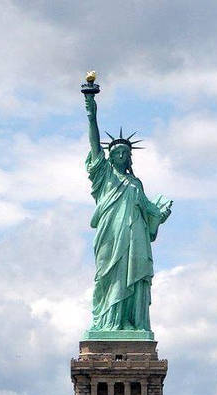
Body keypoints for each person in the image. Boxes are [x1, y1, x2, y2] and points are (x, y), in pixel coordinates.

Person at [82, 92, 172, 334]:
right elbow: (94, 145)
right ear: (110, 157)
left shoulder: (136, 184)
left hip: (135, 239)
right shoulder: (104, 177)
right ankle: (109, 322)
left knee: (132, 276)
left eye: (126, 153)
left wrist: (161, 214)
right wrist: (92, 114)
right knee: (109, 278)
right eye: (117, 153)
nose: (121, 156)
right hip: (110, 237)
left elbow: (150, 211)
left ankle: (130, 322)